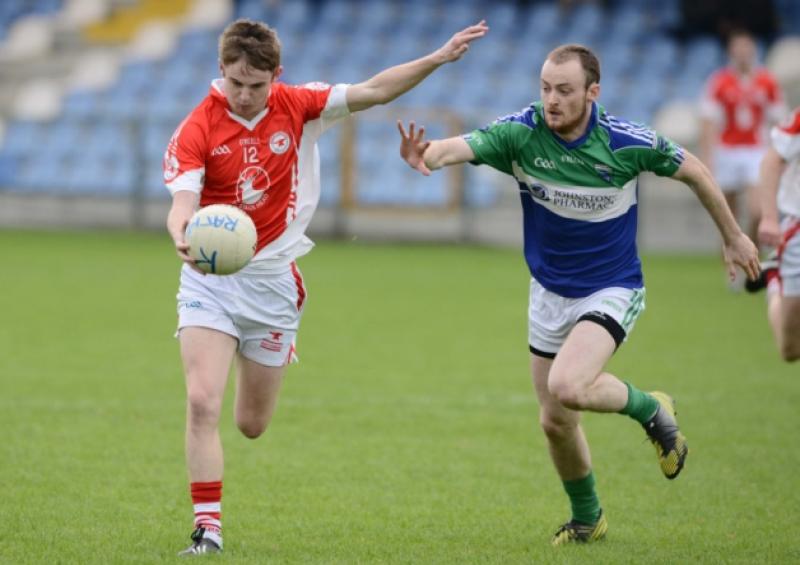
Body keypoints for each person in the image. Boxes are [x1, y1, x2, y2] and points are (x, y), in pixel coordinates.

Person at [397, 44, 760, 546]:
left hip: (611, 288)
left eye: (564, 90)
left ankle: (650, 409)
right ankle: (588, 518)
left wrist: (733, 234)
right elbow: (458, 146)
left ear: (593, 92)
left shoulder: (623, 142)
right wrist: (427, 156)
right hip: (548, 293)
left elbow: (694, 168)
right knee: (554, 421)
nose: (551, 100)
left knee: (568, 386)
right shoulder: (522, 134)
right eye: (545, 88)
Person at [163, 18, 488, 556]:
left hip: (272, 287)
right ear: (220, 71)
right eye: (235, 83)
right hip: (210, 282)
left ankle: (273, 348)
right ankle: (208, 530)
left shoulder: (299, 105)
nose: (244, 96)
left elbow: (375, 90)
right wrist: (181, 233)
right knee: (201, 402)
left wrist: (438, 56)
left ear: (276, 76)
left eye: (256, 85)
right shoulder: (196, 127)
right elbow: (181, 204)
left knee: (250, 425)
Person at [698, 29, 785, 279]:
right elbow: (708, 121)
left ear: (754, 50)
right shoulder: (720, 81)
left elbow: (778, 119)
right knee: (728, 213)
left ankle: (753, 252)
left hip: (755, 150)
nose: (743, 53)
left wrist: (780, 156)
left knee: (757, 210)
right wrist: (708, 158)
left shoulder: (767, 82)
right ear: (731, 52)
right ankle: (733, 265)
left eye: (747, 48)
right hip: (727, 151)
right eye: (738, 48)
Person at [748, 107, 800, 361]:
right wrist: (769, 218)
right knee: (791, 350)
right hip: (797, 231)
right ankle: (773, 279)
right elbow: (772, 160)